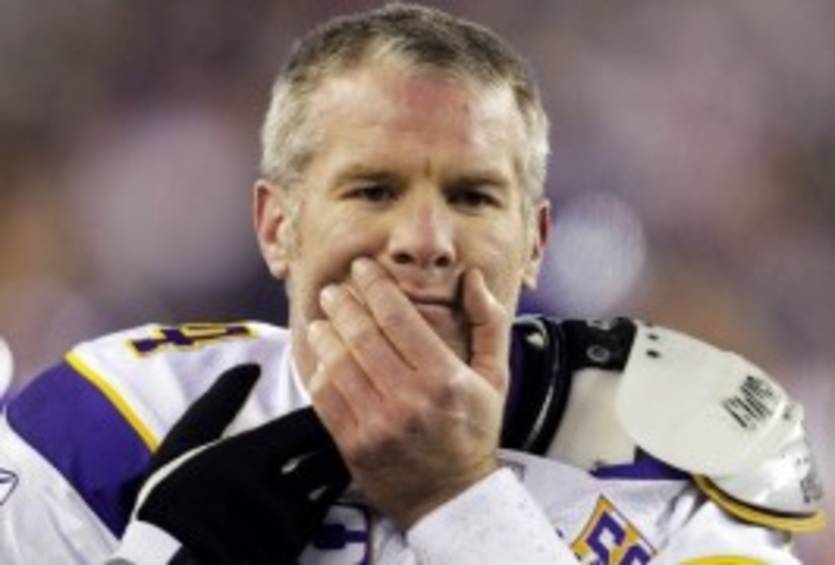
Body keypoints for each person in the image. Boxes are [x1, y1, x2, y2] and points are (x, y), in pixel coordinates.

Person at [0, 4, 824, 564]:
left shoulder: (668, 457)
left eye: (471, 196)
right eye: (373, 190)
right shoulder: (111, 420)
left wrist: (457, 499)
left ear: (533, 242)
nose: (424, 241)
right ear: (277, 226)